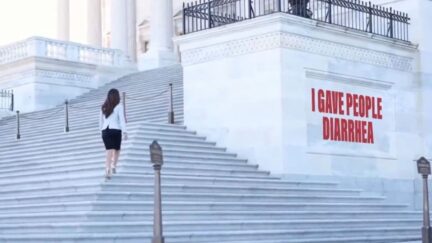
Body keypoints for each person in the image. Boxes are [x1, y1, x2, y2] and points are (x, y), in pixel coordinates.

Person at [99, 88, 127, 180]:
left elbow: (100, 122)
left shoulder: (104, 106)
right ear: (117, 96)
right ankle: (113, 166)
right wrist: (125, 132)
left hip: (105, 131)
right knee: (117, 150)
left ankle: (108, 169)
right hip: (115, 130)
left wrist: (101, 132)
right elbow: (122, 120)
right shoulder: (119, 106)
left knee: (109, 151)